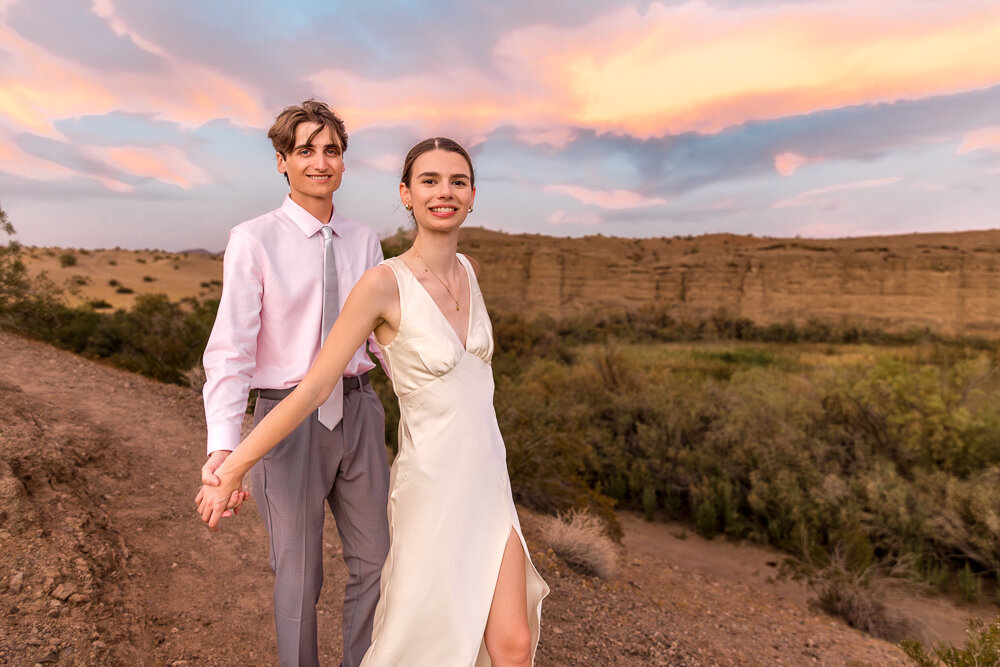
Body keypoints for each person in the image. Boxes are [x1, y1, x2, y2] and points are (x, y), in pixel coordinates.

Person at [198, 137, 549, 666]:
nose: (444, 192)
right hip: (423, 476)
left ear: (473, 195)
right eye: (429, 181)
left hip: (482, 477)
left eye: (457, 181)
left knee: (513, 644)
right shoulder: (374, 281)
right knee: (382, 615)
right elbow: (309, 383)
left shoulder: (468, 272)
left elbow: (411, 358)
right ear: (405, 194)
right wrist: (231, 463)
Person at [198, 100, 390, 667]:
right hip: (287, 420)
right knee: (299, 574)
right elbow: (230, 350)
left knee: (377, 562)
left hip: (359, 412)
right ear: (282, 161)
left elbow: (380, 339)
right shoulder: (254, 240)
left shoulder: (364, 241)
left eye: (331, 150)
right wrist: (225, 449)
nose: (320, 161)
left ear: (344, 163)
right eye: (305, 150)